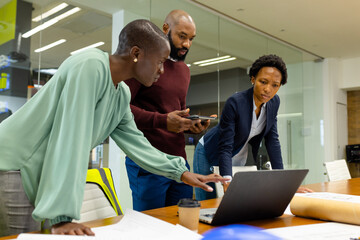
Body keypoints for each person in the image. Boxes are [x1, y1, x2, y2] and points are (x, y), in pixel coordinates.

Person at [0, 19, 225, 237]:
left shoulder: (121, 94)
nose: (162, 71)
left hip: (41, 168)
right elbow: (71, 138)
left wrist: (181, 172)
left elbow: (138, 144)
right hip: (16, 162)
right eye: (159, 62)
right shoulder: (90, 66)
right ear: (136, 54)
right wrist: (62, 215)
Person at [193, 54, 313, 201]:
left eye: (275, 85)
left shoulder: (274, 102)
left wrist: (284, 184)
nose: (268, 89)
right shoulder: (236, 102)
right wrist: (227, 180)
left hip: (238, 153)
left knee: (236, 201)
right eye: (263, 82)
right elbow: (225, 145)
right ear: (253, 79)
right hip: (210, 151)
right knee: (209, 200)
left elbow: (272, 142)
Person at [124, 10, 211, 211]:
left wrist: (191, 125)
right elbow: (121, 108)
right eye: (182, 36)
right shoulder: (144, 63)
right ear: (165, 29)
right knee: (150, 227)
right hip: (147, 162)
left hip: (179, 163)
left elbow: (176, 113)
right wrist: (163, 121)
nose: (187, 44)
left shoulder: (184, 70)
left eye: (191, 39)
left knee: (180, 225)